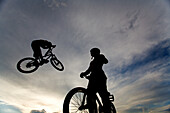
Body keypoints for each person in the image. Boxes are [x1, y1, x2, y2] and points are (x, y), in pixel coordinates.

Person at [80, 48, 111, 113]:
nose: (91, 53)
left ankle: (107, 108)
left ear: (96, 52)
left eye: (92, 52)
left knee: (103, 94)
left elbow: (106, 61)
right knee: (89, 94)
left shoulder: (101, 57)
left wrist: (101, 57)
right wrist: (83, 73)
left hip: (100, 78)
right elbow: (89, 70)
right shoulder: (92, 62)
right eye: (91, 52)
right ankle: (91, 106)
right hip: (92, 79)